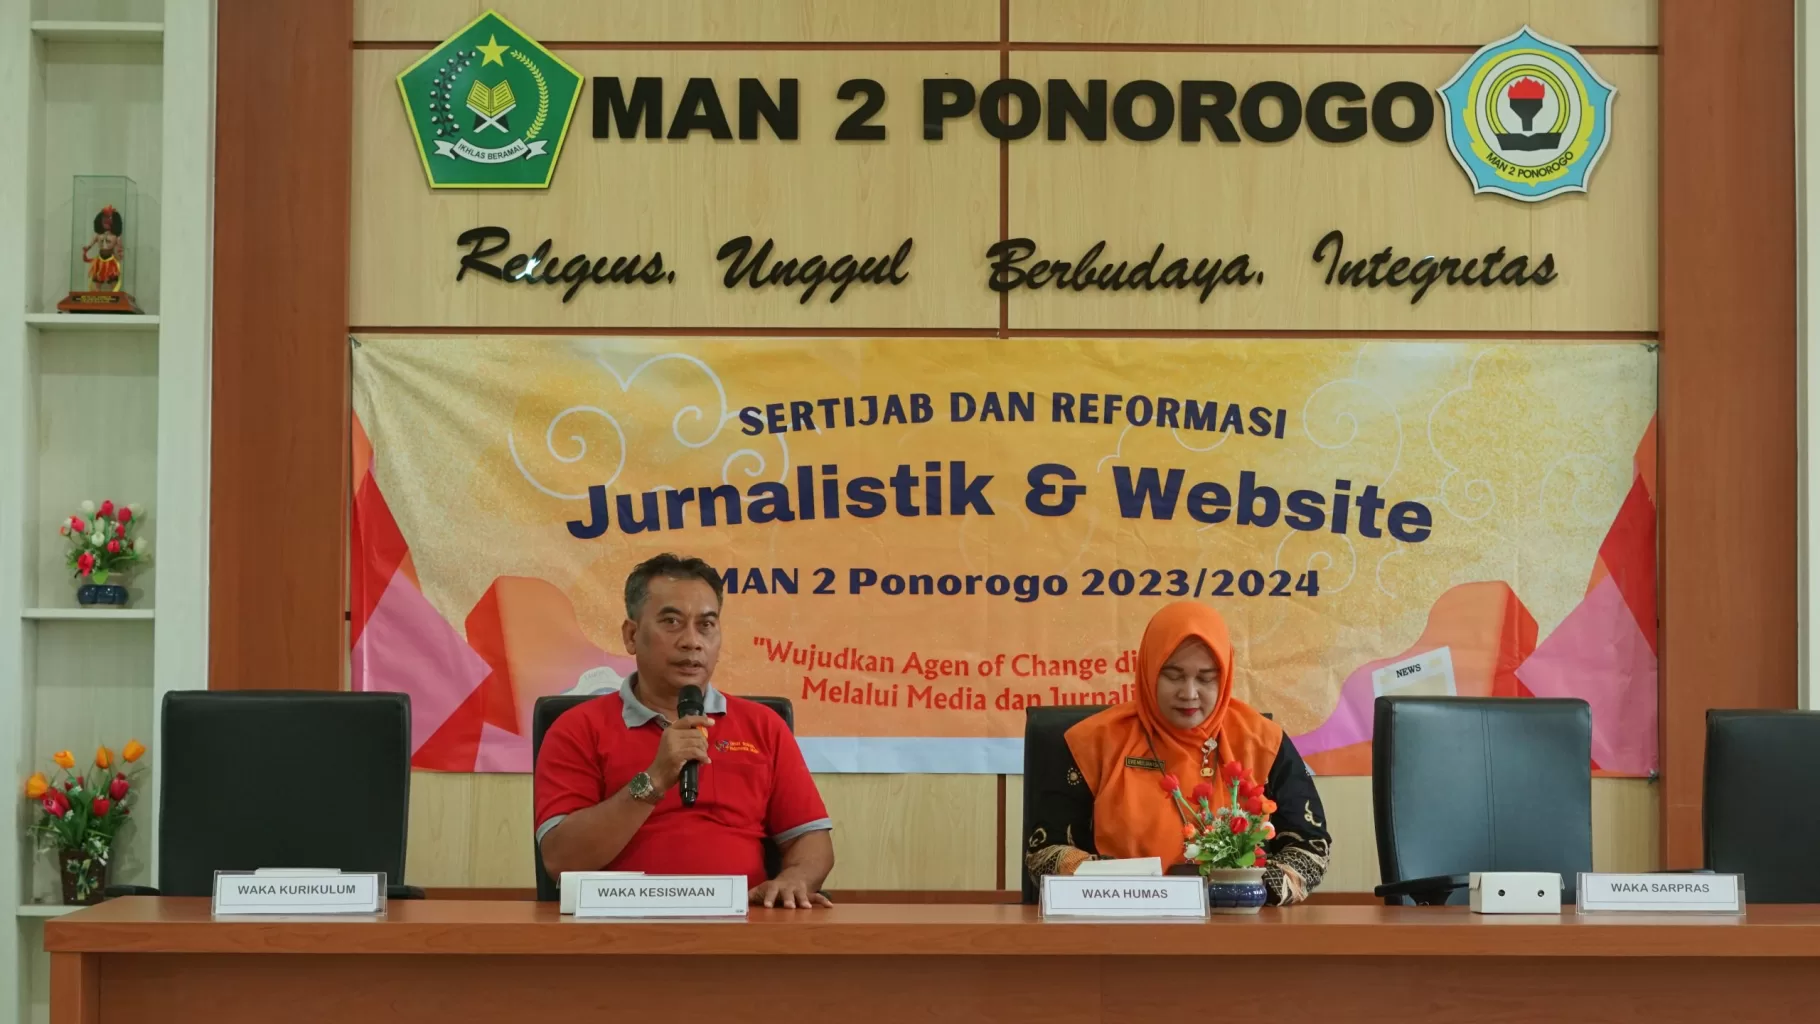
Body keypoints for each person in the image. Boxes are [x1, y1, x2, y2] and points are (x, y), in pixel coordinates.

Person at [535, 553, 835, 907]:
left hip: (742, 924)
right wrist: (654, 780)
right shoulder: (577, 728)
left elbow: (811, 842)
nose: (692, 641)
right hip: (618, 925)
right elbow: (561, 860)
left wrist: (794, 880)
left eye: (706, 625)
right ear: (631, 635)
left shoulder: (763, 726)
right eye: (672, 622)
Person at [1024, 601, 1330, 905]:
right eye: (1173, 675)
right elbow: (1045, 854)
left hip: (1233, 922)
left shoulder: (1263, 742)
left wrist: (1239, 889)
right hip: (1117, 918)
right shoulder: (1094, 742)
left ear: (1224, 677)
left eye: (1206, 678)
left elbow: (1310, 849)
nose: (1189, 693)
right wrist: (1121, 884)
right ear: (1149, 670)